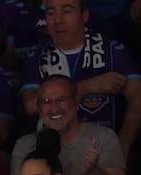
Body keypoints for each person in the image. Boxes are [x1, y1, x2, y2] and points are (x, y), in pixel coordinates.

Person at [12, 78, 128, 175]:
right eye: (46, 101)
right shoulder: (25, 145)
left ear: (76, 102)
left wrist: (94, 173)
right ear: (39, 107)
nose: (54, 109)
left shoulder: (103, 137)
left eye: (61, 100)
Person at [21, 0, 141, 139]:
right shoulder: (36, 55)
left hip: (104, 147)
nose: (58, 20)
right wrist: (91, 85)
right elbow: (30, 105)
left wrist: (123, 144)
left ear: (84, 15)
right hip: (54, 150)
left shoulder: (112, 50)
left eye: (66, 11)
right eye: (51, 13)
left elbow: (138, 96)